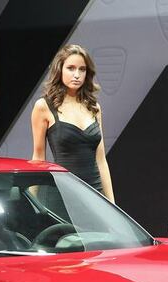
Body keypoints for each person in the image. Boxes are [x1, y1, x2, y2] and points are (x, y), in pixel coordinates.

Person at [31, 44, 115, 203]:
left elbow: (101, 160)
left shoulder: (94, 108)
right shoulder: (44, 107)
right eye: (71, 68)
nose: (77, 75)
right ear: (60, 70)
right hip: (64, 195)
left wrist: (112, 205)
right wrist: (32, 201)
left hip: (95, 195)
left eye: (82, 69)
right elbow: (38, 158)